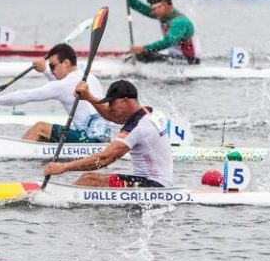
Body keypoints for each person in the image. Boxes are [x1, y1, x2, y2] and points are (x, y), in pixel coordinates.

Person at [43, 79, 173, 188]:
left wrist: (64, 167)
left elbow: (104, 159)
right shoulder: (147, 112)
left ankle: (60, 194)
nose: (109, 108)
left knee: (89, 181)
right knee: (88, 177)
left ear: (125, 101)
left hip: (153, 187)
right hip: (154, 182)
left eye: (112, 102)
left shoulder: (138, 127)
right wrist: (89, 97)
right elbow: (113, 117)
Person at [0, 43, 111, 143]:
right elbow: (60, 86)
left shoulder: (64, 84)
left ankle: (19, 158)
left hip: (89, 141)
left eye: (52, 65)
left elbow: (27, 95)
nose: (51, 70)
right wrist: (45, 70)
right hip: (103, 139)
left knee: (40, 128)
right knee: (44, 137)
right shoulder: (90, 77)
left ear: (66, 63)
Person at [122, 0, 199, 64]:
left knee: (141, 55)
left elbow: (168, 42)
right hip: (175, 59)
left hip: (189, 61)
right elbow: (142, 8)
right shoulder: (164, 14)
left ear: (164, 3)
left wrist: (144, 48)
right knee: (139, 55)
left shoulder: (180, 22)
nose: (153, 12)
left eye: (154, 8)